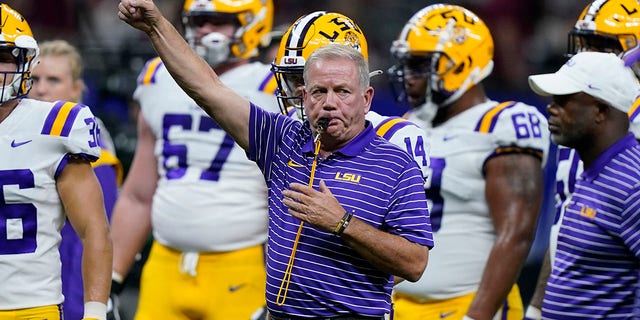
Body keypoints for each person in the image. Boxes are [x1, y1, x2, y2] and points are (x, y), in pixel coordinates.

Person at [118, 0, 434, 318]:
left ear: (365, 95)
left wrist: (342, 223)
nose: (323, 102)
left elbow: (412, 264)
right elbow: (207, 88)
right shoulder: (285, 139)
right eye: (310, 87)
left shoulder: (396, 151)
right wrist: (156, 26)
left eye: (340, 90)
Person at [109, 0, 279, 319]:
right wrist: (111, 280)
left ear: (254, 23)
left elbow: (285, 200)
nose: (205, 30)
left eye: (218, 21)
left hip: (242, 267)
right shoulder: (157, 76)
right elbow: (138, 195)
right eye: (199, 21)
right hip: (164, 263)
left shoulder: (273, 86)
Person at [387, 4, 550, 320]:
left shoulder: (499, 123)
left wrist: (477, 316)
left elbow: (516, 233)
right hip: (398, 305)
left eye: (419, 65)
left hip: (469, 304)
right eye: (406, 64)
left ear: (461, 63)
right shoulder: (407, 123)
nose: (408, 76)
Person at [524, 1, 640, 318]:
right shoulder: (579, 123)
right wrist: (537, 308)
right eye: (585, 44)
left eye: (602, 46)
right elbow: (565, 228)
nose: (587, 55)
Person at [0, 3, 113, 320]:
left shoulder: (56, 125)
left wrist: (93, 312)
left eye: (2, 57)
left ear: (24, 62)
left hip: (30, 307)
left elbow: (94, 229)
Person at [271, 10, 430, 188]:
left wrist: (338, 217)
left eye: (311, 81)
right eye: (295, 80)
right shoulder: (286, 128)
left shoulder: (394, 135)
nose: (303, 92)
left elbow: (410, 215)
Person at [29, 39, 123, 320]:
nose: (42, 89)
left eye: (54, 80)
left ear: (77, 90)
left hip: (61, 294)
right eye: (34, 79)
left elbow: (90, 241)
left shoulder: (91, 151)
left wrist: (83, 309)